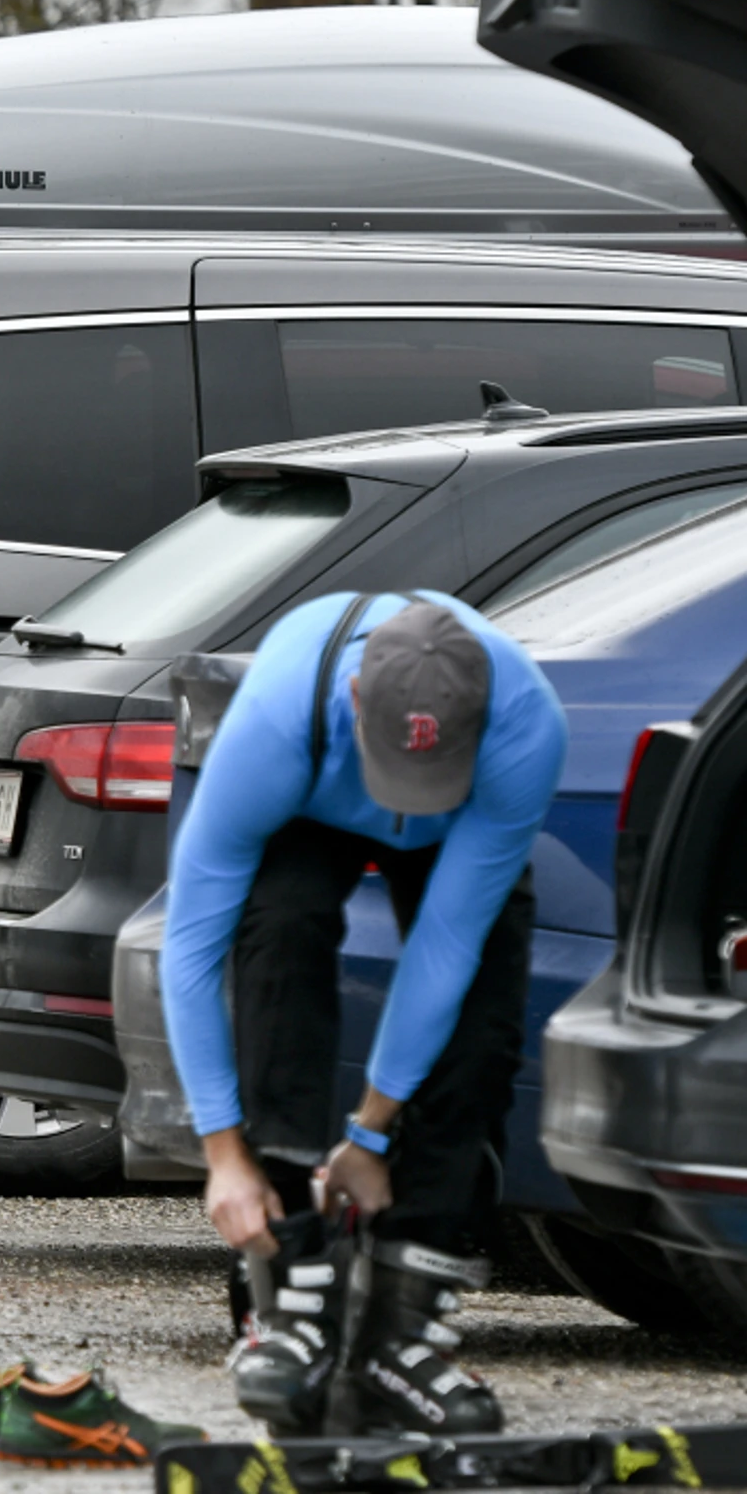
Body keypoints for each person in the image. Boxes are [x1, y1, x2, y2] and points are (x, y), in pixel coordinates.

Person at [162, 592, 567, 1438]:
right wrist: (223, 1154)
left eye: (432, 779)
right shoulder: (278, 721)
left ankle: (399, 1336)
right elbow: (191, 950)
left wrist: (373, 1135)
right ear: (356, 698)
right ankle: (287, 1295)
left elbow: (443, 952)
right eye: (402, 779)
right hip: (313, 794)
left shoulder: (526, 726)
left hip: (470, 816)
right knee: (281, 934)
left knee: (483, 1023)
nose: (412, 805)